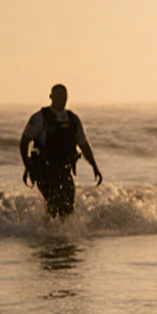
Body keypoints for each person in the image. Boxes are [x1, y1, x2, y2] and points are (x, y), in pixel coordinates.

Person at [20, 84, 102, 219]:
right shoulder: (40, 118)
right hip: (45, 170)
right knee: (54, 204)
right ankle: (48, 235)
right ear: (51, 97)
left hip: (65, 170)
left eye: (64, 96)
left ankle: (59, 238)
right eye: (58, 96)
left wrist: (94, 166)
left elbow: (83, 145)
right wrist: (27, 164)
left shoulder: (73, 119)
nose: (62, 99)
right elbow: (24, 141)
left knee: (68, 208)